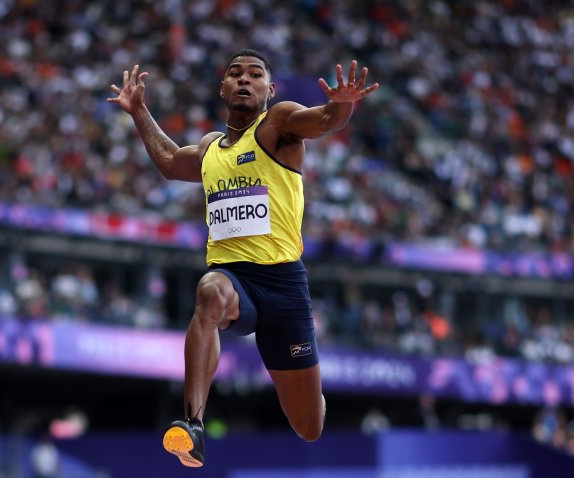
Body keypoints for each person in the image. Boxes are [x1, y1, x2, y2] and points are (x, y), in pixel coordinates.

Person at [107, 48, 378, 468]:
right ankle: (193, 425)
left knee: (309, 425)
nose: (245, 80)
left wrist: (340, 107)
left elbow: (324, 121)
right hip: (235, 281)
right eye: (235, 74)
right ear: (223, 88)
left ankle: (313, 388)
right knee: (209, 292)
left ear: (270, 89)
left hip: (284, 285)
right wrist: (139, 111)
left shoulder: (278, 123)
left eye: (255, 74)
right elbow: (167, 160)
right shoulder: (209, 148)